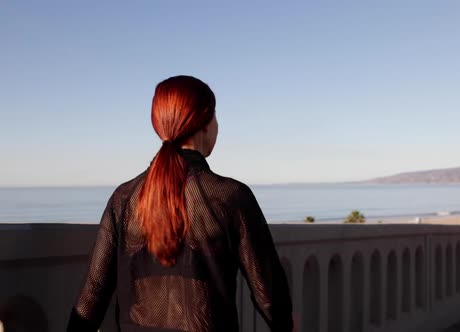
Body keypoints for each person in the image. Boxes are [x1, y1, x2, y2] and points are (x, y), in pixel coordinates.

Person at [67, 75, 294, 332]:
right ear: (205, 122)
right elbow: (269, 294)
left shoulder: (124, 198)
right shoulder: (230, 196)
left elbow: (93, 294)